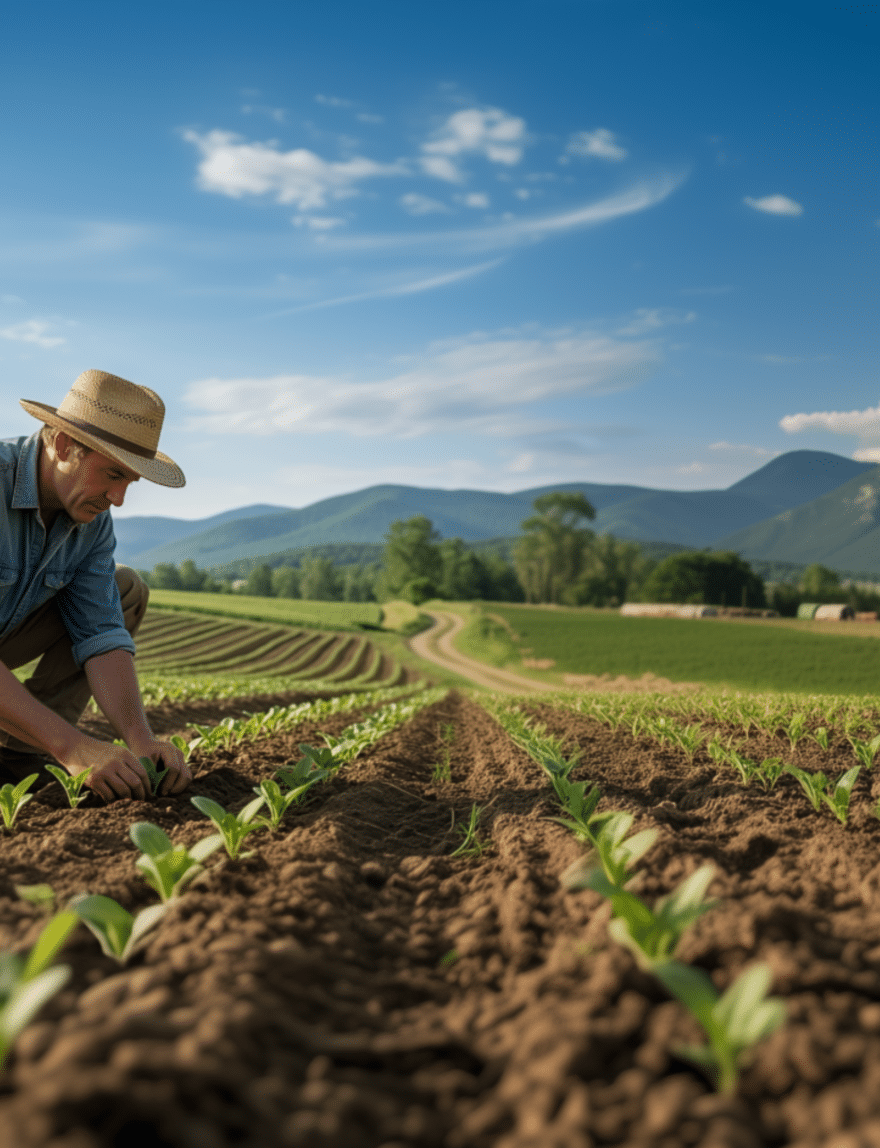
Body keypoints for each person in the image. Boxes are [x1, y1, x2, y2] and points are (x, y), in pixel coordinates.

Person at [0, 369, 192, 802]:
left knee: (125, 589)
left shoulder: (92, 521)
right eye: (111, 474)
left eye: (129, 481)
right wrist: (72, 746)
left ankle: (17, 754)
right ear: (65, 445)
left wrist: (141, 741)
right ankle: (50, 740)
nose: (119, 498)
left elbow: (100, 633)